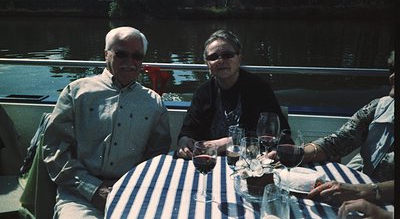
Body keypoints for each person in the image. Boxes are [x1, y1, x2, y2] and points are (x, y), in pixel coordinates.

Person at [42, 26, 171, 218]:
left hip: (132, 192)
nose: (129, 62)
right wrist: (94, 189)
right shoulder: (76, 92)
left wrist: (132, 188)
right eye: (121, 54)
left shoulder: (154, 103)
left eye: (137, 56)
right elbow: (55, 151)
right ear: (106, 54)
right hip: (80, 195)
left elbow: (157, 157)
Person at [176, 29, 289, 159]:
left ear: (239, 58)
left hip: (251, 161)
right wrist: (184, 139)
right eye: (213, 57)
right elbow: (189, 127)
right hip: (211, 162)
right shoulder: (203, 92)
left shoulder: (259, 88)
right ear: (207, 64)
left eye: (227, 55)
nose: (220, 61)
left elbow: (281, 133)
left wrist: (227, 142)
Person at [304, 50, 395, 208]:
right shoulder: (379, 107)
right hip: (359, 193)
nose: (392, 77)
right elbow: (339, 141)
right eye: (392, 69)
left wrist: (370, 191)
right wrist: (298, 153)